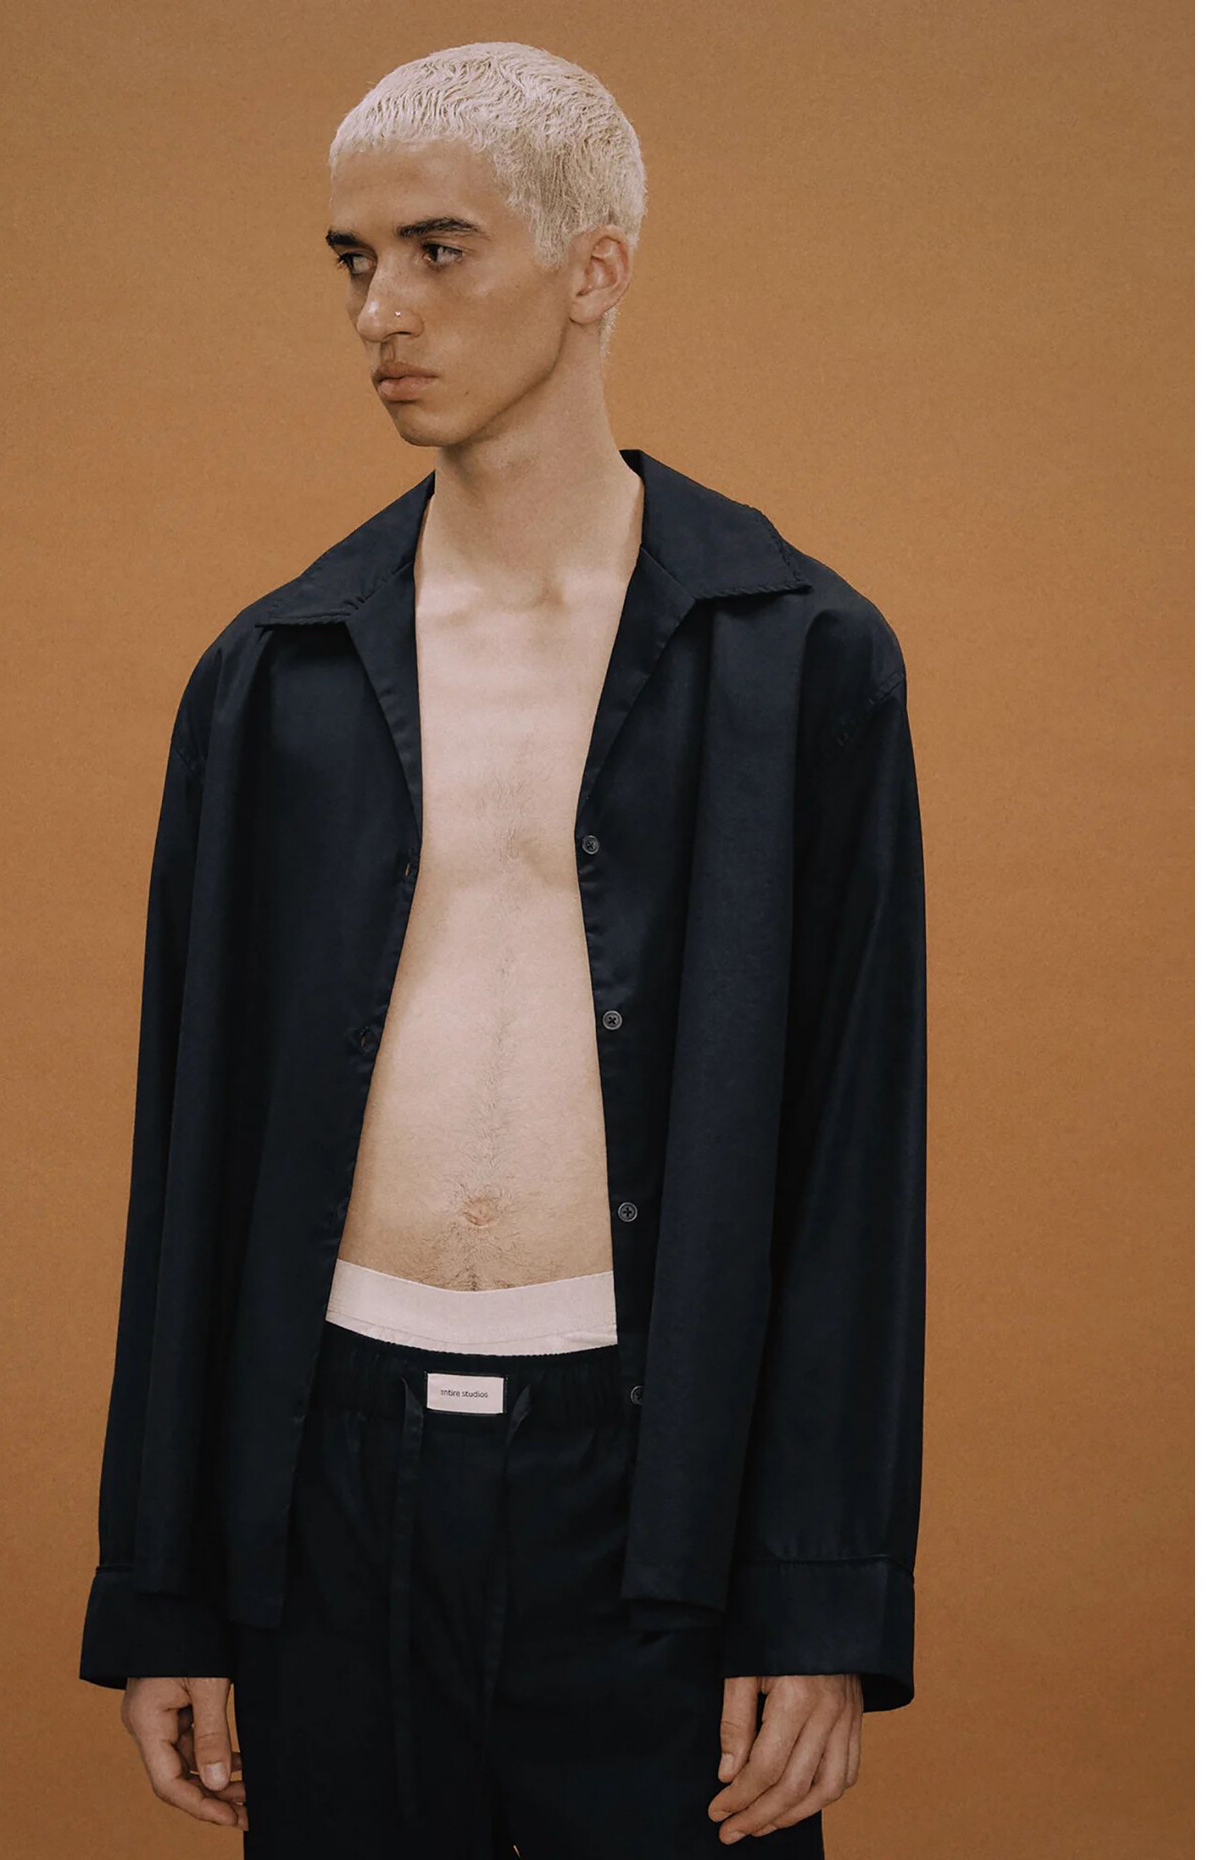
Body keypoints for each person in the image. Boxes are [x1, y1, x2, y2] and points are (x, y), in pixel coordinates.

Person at [78, 40, 927, 1860]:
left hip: (654, 1482)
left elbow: (855, 1160)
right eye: (353, 259)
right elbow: (192, 1152)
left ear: (594, 267)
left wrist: (819, 1594)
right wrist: (165, 1585)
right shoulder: (272, 675)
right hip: (327, 1473)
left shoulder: (802, 663)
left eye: (438, 250)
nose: (379, 311)